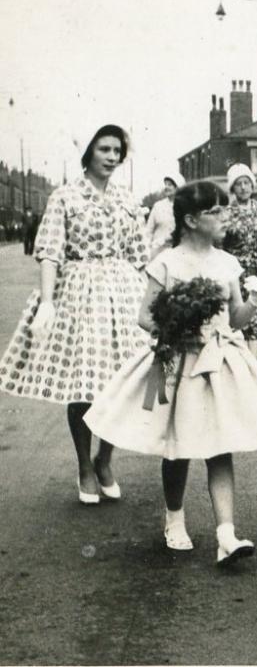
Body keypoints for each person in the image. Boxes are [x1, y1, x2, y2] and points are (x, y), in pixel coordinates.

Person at [84, 181, 257, 563]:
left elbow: (235, 319)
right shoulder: (168, 262)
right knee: (179, 447)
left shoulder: (227, 263)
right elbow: (144, 316)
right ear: (191, 219)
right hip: (180, 362)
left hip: (220, 361)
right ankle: (174, 518)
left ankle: (226, 534)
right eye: (215, 211)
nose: (225, 217)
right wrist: (176, 328)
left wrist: (255, 302)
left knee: (221, 447)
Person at [0, 124, 148, 503]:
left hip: (122, 290)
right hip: (80, 291)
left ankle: (105, 460)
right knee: (83, 382)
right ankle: (84, 464)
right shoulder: (65, 196)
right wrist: (47, 302)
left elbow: (138, 254)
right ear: (90, 153)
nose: (112, 157)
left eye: (118, 150)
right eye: (105, 149)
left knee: (124, 380)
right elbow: (49, 250)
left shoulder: (126, 198)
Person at [221, 164, 257, 350]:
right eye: (238, 184)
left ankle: (253, 367)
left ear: (252, 186)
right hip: (235, 273)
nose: (243, 188)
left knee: (256, 319)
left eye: (246, 183)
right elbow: (221, 246)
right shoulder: (226, 214)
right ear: (232, 188)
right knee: (237, 318)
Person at [145, 172, 185, 260]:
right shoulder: (158, 206)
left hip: (177, 253)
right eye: (165, 184)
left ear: (178, 187)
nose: (166, 187)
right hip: (158, 252)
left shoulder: (186, 207)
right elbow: (149, 230)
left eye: (170, 185)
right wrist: (147, 247)